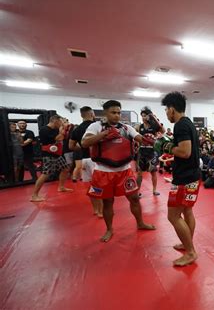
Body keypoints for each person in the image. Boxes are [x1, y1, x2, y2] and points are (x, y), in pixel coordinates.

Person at [81, 100, 156, 242]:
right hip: (104, 171)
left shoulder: (126, 128)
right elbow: (84, 142)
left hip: (125, 170)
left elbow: (138, 138)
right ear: (105, 113)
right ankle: (109, 229)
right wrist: (103, 135)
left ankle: (140, 223)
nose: (117, 115)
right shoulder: (95, 126)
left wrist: (149, 140)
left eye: (119, 112)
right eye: (113, 112)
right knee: (108, 202)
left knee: (134, 198)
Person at [159, 92, 201, 266]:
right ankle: (187, 244)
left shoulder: (180, 126)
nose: (166, 114)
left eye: (166, 110)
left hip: (184, 178)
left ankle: (191, 252)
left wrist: (168, 146)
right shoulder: (188, 123)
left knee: (173, 216)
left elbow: (185, 152)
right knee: (187, 211)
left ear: (172, 109)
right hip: (192, 176)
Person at [69, 106, 103, 217]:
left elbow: (71, 146)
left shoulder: (77, 129)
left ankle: (96, 210)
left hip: (84, 159)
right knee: (100, 186)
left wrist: (82, 147)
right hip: (96, 160)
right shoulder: (97, 126)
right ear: (92, 114)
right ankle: (101, 211)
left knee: (91, 185)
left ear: (81, 115)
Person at [30, 115, 73, 202]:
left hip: (57, 154)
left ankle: (61, 187)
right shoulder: (44, 130)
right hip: (48, 155)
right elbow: (59, 138)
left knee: (65, 168)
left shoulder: (55, 129)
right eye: (60, 121)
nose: (61, 123)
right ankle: (34, 195)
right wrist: (62, 129)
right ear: (54, 120)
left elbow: (62, 138)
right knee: (46, 174)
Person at [136, 107, 164, 197]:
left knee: (153, 172)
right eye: (142, 116)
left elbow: (163, 130)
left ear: (149, 116)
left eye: (145, 116)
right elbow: (134, 136)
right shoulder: (139, 127)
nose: (144, 118)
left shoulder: (154, 126)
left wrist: (154, 119)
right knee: (139, 173)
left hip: (152, 152)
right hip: (142, 151)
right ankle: (137, 191)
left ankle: (154, 190)